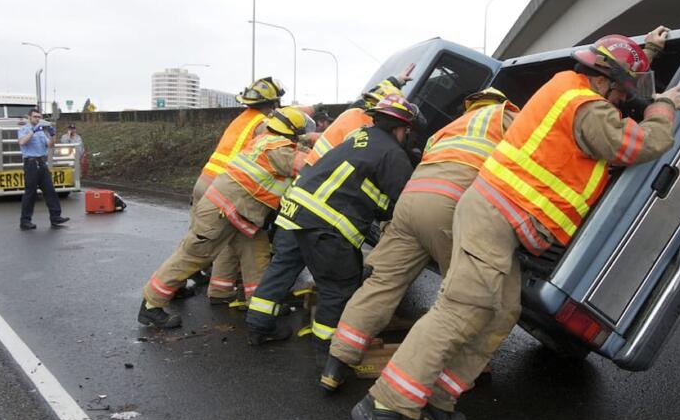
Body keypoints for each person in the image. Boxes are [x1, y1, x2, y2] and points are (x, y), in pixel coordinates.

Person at [352, 27, 680, 420]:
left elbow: (617, 73)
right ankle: (382, 408)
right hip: (495, 215)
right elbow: (639, 143)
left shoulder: (568, 86)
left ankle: (439, 398)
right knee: (459, 311)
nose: (623, 102)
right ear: (609, 83)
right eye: (623, 93)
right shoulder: (587, 109)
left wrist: (646, 52)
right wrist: (662, 106)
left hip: (496, 215)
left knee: (502, 311)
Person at [322, 88, 521, 401]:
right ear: (502, 103)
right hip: (452, 206)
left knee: (383, 283)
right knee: (465, 298)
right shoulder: (508, 117)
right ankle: (444, 385)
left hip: (411, 203)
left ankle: (336, 363)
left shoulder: (448, 129)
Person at [246, 94, 418, 370]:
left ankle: (258, 325)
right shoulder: (393, 154)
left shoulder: (359, 135)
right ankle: (327, 353)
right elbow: (405, 200)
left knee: (282, 268)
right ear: (401, 128)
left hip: (296, 211)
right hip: (326, 224)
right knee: (336, 289)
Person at [139, 107, 310, 329]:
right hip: (222, 211)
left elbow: (295, 154)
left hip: (239, 213)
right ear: (292, 131)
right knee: (193, 255)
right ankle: (151, 305)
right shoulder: (277, 149)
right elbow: (307, 164)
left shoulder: (267, 139)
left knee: (255, 254)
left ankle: (258, 304)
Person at [188, 77, 284, 305]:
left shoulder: (242, 119)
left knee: (222, 239)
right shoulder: (263, 123)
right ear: (274, 103)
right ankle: (258, 301)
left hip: (206, 181)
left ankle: (220, 290)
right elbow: (275, 153)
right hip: (228, 188)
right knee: (250, 243)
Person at [18, 109, 70, 230]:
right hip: (31, 164)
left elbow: (50, 145)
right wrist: (32, 132)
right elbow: (22, 142)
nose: (37, 119)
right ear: (29, 117)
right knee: (30, 193)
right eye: (35, 117)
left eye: (39, 117)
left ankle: (55, 217)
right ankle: (25, 221)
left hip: (42, 164)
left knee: (50, 191)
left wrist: (53, 136)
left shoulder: (41, 132)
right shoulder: (24, 129)